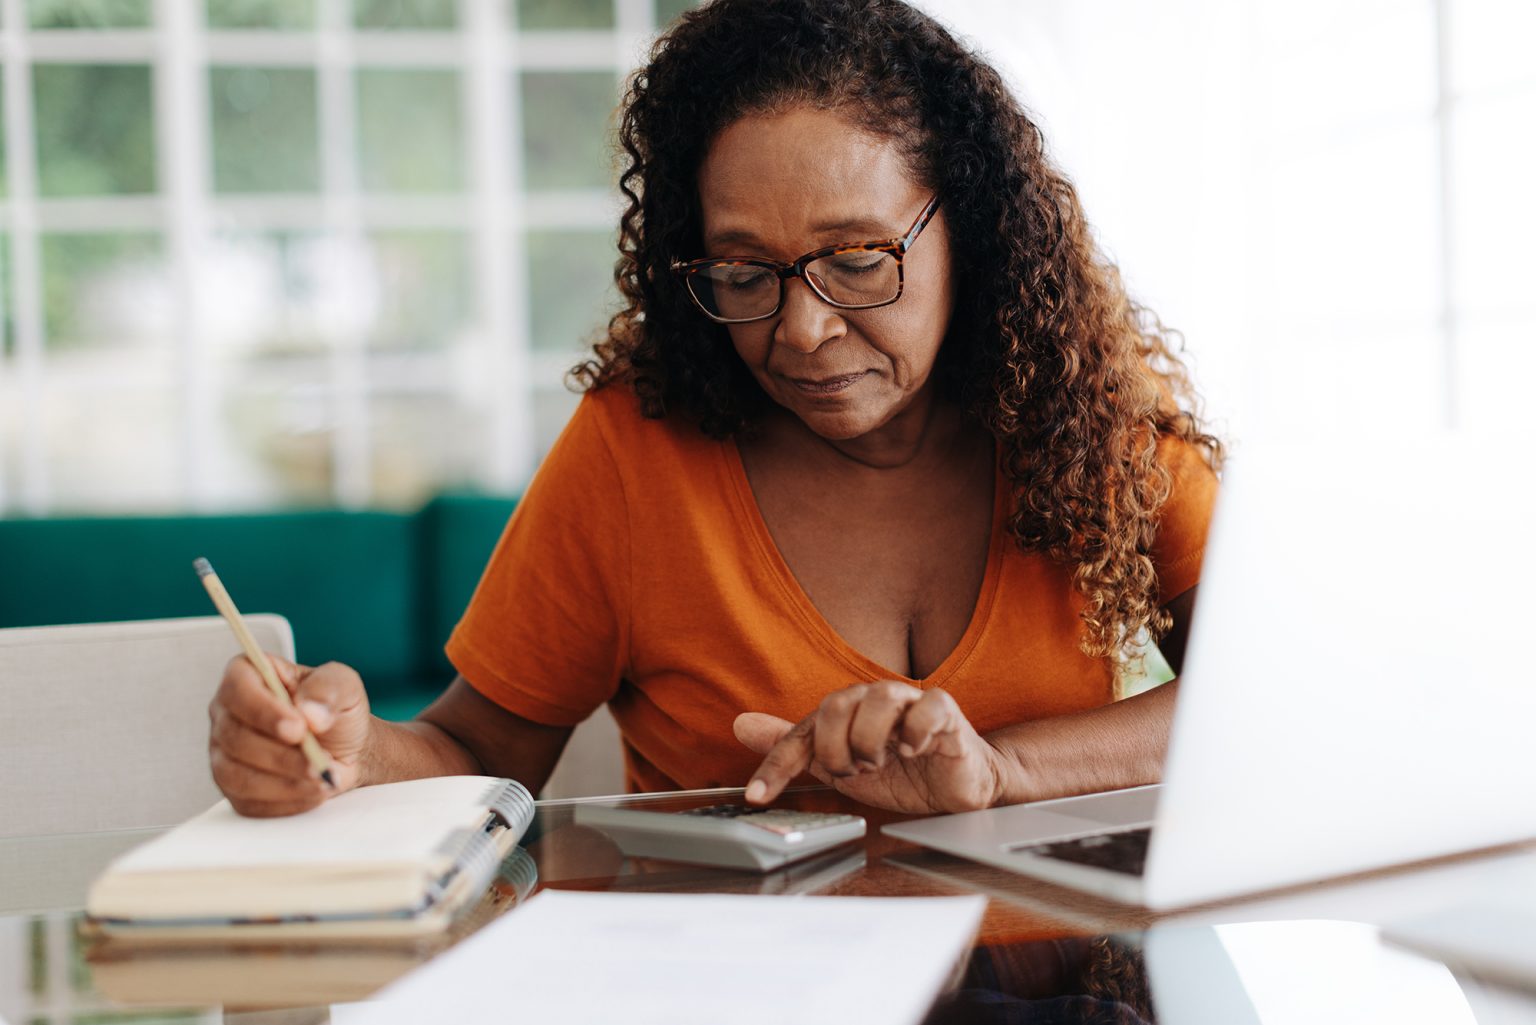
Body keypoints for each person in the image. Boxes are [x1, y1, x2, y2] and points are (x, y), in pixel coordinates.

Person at [207, 0, 1222, 819]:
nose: (801, 331)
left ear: (975, 228)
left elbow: (1263, 691)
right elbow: (476, 749)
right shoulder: (633, 450)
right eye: (743, 272)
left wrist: (1002, 770)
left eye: (858, 260)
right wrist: (347, 748)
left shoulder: (1086, 407)